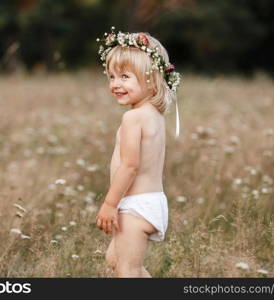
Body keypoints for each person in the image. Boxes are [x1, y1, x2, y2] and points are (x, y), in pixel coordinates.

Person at [95, 27, 181, 278]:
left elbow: (130, 166)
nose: (115, 84)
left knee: (127, 270)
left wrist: (110, 204)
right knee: (115, 260)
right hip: (147, 201)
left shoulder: (133, 118)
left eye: (124, 77)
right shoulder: (154, 115)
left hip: (136, 206)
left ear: (150, 79)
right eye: (111, 77)